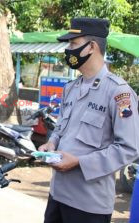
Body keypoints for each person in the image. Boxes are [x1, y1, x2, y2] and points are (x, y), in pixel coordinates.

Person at [39, 17, 139, 223]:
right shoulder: (71, 88)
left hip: (88, 203)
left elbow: (129, 148)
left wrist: (79, 163)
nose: (69, 50)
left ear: (91, 46)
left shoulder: (119, 93)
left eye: (73, 44)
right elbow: (61, 128)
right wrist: (51, 143)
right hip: (58, 194)